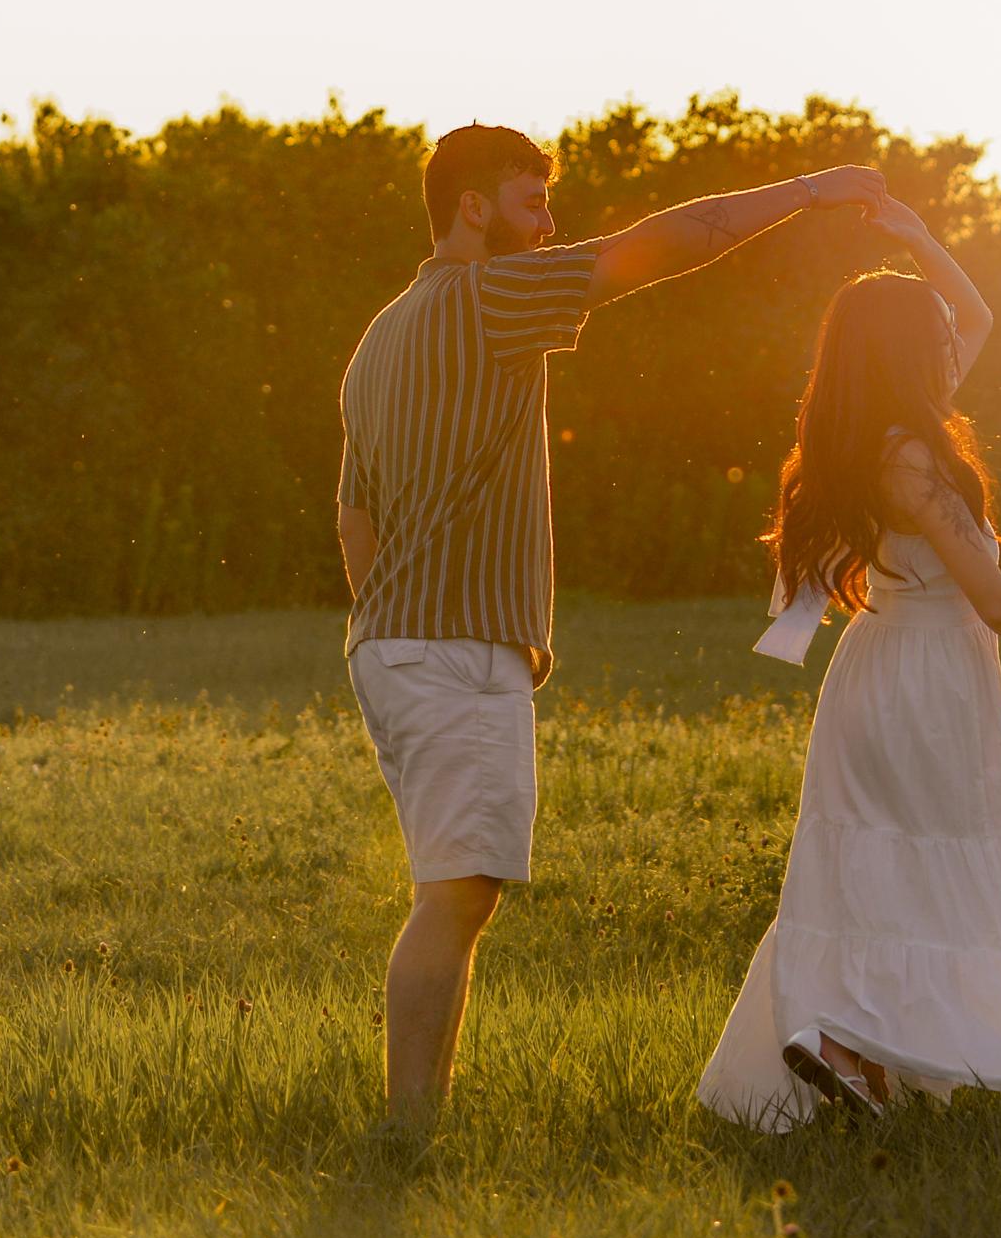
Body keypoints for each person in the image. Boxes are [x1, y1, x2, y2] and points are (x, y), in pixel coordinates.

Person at [339, 123, 887, 1135]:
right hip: (454, 649)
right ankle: (407, 1134)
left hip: (395, 644)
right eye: (531, 202)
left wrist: (390, 628)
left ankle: (412, 1127)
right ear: (471, 207)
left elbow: (354, 515)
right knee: (456, 894)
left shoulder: (381, 334)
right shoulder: (490, 298)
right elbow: (678, 240)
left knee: (458, 890)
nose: (549, 224)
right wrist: (811, 190)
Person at [697, 197, 1001, 1128]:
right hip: (930, 680)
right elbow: (993, 600)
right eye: (930, 334)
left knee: (874, 868)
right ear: (905, 353)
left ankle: (850, 1042)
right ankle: (853, 1036)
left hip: (874, 671)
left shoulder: (860, 435)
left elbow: (981, 317)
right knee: (944, 863)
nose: (948, 343)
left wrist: (917, 242)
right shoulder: (913, 457)